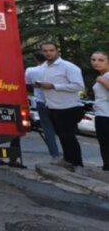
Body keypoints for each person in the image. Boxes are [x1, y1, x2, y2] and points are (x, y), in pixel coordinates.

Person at [36, 42, 85, 170]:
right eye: (45, 51)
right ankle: (68, 160)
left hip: (69, 107)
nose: (48, 53)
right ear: (42, 52)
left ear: (57, 51)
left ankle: (78, 163)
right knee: (62, 136)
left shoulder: (68, 67)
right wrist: (40, 85)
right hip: (52, 107)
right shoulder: (43, 67)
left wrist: (54, 86)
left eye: (51, 50)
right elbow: (45, 85)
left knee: (69, 136)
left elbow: (78, 86)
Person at [25, 52, 61, 161]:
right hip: (58, 102)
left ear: (36, 59)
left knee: (48, 129)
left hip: (41, 102)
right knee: (64, 129)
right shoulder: (57, 70)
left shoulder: (31, 71)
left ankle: (55, 154)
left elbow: (28, 84)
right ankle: (69, 154)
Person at [90, 50, 109, 171]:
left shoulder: (106, 77)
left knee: (106, 144)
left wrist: (105, 83)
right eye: (93, 59)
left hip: (106, 115)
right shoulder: (103, 75)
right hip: (101, 114)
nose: (96, 63)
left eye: (101, 60)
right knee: (104, 144)